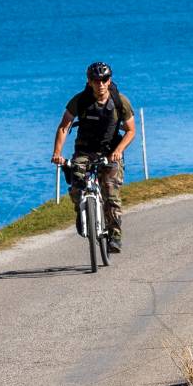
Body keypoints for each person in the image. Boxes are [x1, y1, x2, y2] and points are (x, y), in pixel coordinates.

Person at [51, 61, 136, 252]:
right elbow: (64, 127)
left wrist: (119, 150)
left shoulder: (120, 101)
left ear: (109, 80)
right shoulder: (79, 101)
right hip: (85, 151)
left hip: (111, 151)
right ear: (89, 81)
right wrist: (57, 153)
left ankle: (114, 235)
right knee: (76, 184)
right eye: (96, 80)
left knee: (110, 192)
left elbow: (131, 130)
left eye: (104, 79)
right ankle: (82, 212)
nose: (101, 84)